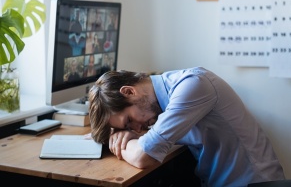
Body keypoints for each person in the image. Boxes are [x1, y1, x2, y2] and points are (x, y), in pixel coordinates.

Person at [88, 67, 285, 187]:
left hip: (253, 184)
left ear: (129, 92)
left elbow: (143, 157)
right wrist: (121, 133)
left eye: (128, 122)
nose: (136, 129)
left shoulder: (192, 86)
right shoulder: (162, 100)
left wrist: (124, 141)